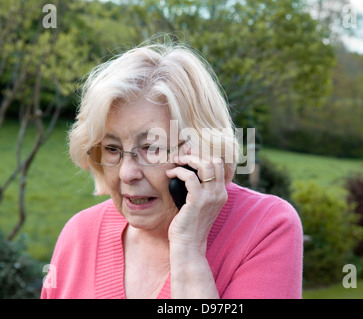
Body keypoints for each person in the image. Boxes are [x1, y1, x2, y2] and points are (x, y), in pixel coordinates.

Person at [41, 41, 303, 299]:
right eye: (112, 149)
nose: (126, 173)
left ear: (202, 150)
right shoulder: (79, 234)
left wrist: (188, 251)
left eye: (152, 148)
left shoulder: (266, 227)